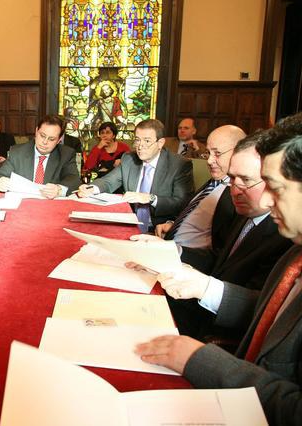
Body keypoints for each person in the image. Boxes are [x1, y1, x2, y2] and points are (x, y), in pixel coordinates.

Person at [134, 123, 302, 426]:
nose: (266, 201)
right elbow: (261, 305)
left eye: (275, 187)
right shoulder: (293, 251)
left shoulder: (284, 240)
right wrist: (173, 254)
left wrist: (200, 360)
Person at [154, 132, 292, 339]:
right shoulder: (242, 211)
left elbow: (262, 312)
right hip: (199, 310)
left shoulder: (285, 236)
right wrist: (173, 250)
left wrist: (205, 287)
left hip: (219, 333)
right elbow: (219, 261)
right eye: (233, 179)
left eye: (246, 180)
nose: (234, 190)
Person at [78, 119, 194, 232]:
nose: (140, 146)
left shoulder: (178, 165)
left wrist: (150, 198)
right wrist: (91, 188)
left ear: (160, 143)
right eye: (138, 140)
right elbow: (108, 181)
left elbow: (182, 203)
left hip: (159, 228)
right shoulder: (129, 159)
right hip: (128, 224)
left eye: (147, 141)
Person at [154, 125, 246, 248]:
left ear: (238, 153)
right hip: (168, 244)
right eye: (208, 153)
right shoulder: (213, 183)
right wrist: (172, 225)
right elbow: (195, 219)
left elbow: (221, 250)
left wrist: (175, 250)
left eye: (217, 153)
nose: (209, 161)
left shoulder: (238, 194)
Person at [0, 115, 81, 199]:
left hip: (50, 206)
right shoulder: (18, 152)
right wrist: (0, 181)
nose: (45, 142)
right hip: (23, 206)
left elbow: (74, 179)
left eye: (51, 139)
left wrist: (59, 189)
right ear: (36, 131)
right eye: (42, 135)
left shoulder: (66, 154)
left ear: (59, 140)